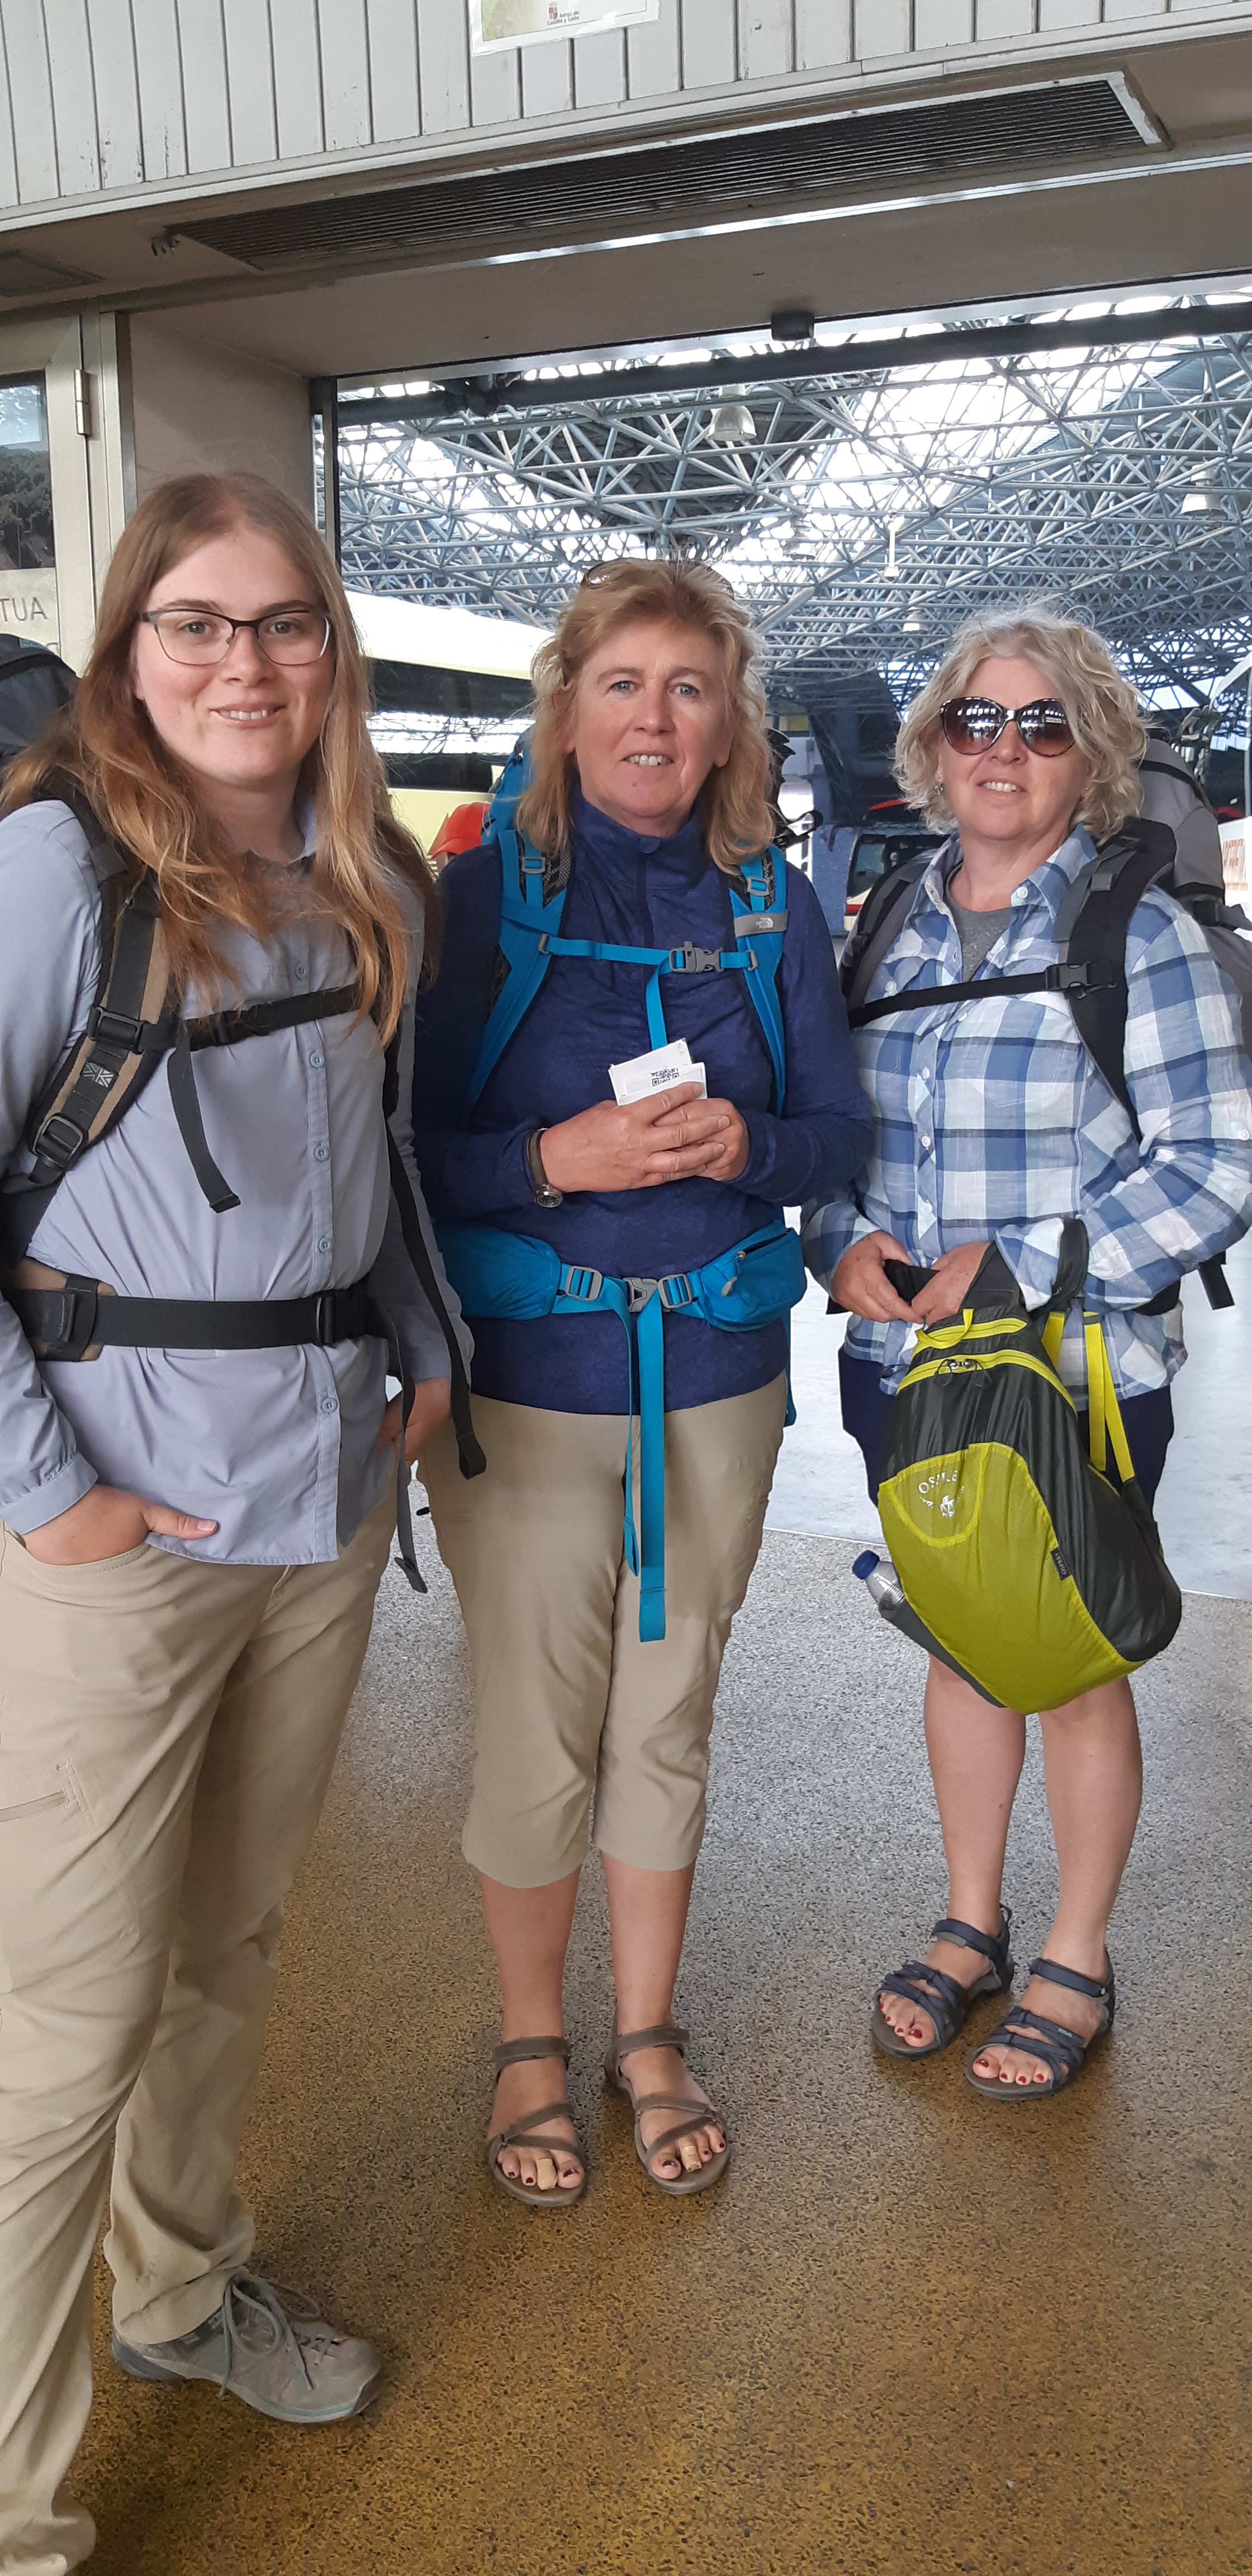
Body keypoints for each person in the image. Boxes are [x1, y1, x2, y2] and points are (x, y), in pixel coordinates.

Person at [0, 471, 467, 2574]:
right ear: (130, 649)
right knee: (65, 2020)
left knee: (227, 1947)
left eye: (285, 623)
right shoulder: (53, 871)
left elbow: (377, 1148)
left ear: (330, 654)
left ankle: (181, 2292)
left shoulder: (363, 868)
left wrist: (422, 1342)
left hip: (321, 1501)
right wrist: (48, 1498)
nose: (244, 664)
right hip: (114, 1528)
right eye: (196, 623)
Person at [411, 558, 870, 2202]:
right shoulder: (478, 902)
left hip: (719, 1382)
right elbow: (399, 1157)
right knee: (535, 1727)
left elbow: (838, 1135)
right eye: (623, 684)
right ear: (567, 710)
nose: (656, 719)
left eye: (690, 688)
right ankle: (534, 2042)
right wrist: (559, 1158)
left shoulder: (771, 906)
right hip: (530, 1388)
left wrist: (752, 1144)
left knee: (669, 1717)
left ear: (730, 722)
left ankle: (648, 2033)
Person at [803, 605, 1252, 2101]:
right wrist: (836, 1241)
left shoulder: (1141, 938)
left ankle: (1075, 1949)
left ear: (1094, 752)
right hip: (905, 1373)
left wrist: (1033, 1265)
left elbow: (1218, 1163)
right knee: (959, 1635)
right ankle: (971, 1918)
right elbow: (841, 1135)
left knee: (1063, 1652)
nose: (1006, 747)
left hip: (1078, 1379)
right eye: (978, 719)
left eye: (1044, 722)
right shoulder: (888, 922)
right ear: (934, 747)